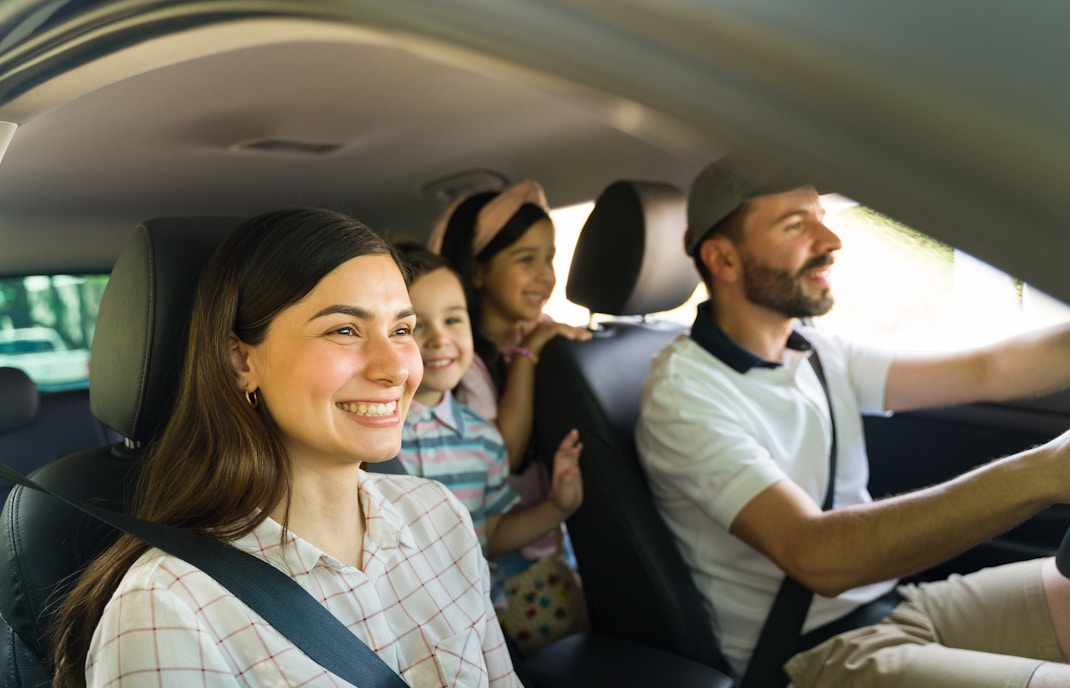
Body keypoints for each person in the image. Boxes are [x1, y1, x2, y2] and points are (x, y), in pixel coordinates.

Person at [635, 155, 1070, 688]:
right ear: (722, 259)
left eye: (821, 214)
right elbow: (816, 555)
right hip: (811, 654)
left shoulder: (817, 351)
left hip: (896, 605)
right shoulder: (684, 395)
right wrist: (1045, 471)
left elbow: (990, 369)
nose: (831, 239)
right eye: (796, 225)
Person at [51, 209, 521, 687]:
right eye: (344, 330)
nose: (395, 369)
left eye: (402, 330)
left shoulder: (440, 518)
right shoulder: (167, 608)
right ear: (240, 361)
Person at [393, 240, 585, 652]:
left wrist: (559, 507)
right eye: (416, 325)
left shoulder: (483, 438)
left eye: (454, 320)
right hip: (399, 628)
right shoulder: (370, 440)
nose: (441, 339)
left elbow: (491, 532)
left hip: (478, 624)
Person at [431, 180, 591, 652]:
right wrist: (527, 355)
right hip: (504, 561)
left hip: (547, 543)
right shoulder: (462, 366)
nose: (545, 275)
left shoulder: (549, 339)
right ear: (478, 272)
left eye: (550, 257)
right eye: (526, 260)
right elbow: (504, 453)